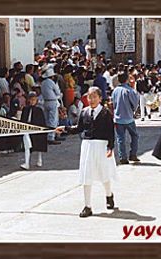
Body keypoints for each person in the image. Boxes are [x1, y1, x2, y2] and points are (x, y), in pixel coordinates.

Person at [65, 87, 117, 217]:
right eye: (89, 97)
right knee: (86, 175)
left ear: (100, 98)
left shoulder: (106, 113)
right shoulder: (84, 112)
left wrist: (110, 147)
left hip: (102, 145)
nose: (92, 100)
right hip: (88, 145)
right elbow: (79, 128)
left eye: (94, 97)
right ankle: (87, 206)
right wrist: (65, 129)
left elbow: (111, 132)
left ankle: (109, 194)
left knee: (104, 173)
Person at [111, 71, 140, 164]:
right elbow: (135, 104)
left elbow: (113, 103)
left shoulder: (115, 91)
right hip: (128, 117)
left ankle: (122, 157)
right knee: (134, 136)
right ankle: (133, 154)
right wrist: (133, 111)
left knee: (120, 138)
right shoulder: (130, 90)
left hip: (118, 118)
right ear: (127, 79)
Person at [20, 92, 48, 170]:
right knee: (27, 146)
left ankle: (39, 159)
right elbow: (23, 120)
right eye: (31, 100)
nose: (32, 101)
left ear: (36, 100)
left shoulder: (39, 110)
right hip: (27, 130)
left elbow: (42, 122)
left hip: (36, 130)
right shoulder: (25, 109)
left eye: (34, 100)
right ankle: (27, 163)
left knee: (39, 145)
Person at [41, 68, 62, 145]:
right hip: (52, 101)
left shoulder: (43, 83)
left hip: (45, 101)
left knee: (47, 119)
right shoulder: (51, 82)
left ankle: (48, 135)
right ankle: (51, 137)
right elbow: (57, 92)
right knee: (53, 120)